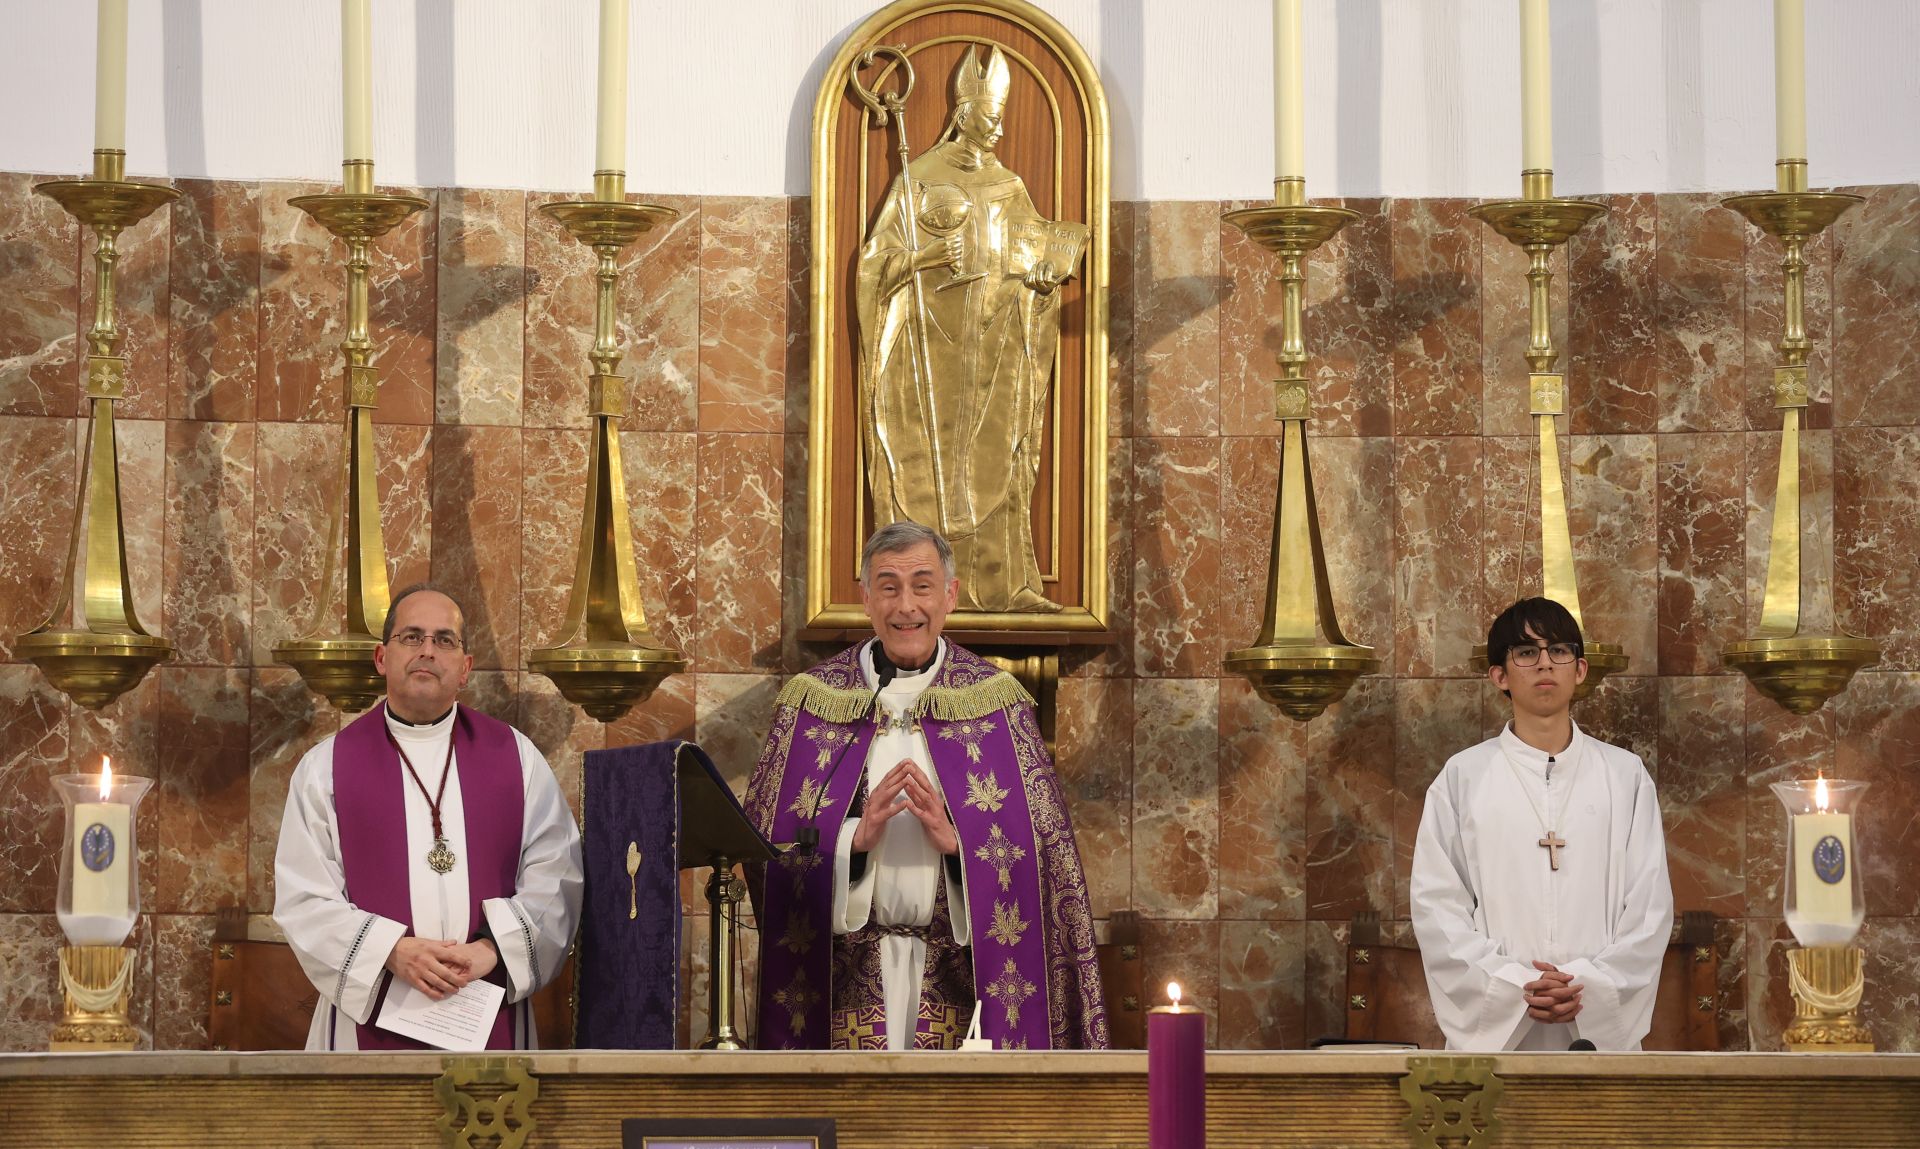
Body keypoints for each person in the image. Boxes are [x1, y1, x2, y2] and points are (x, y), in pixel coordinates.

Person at [744, 522, 1106, 1050]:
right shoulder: (811, 703)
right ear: (865, 598)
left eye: (922, 585)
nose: (906, 606)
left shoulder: (998, 703)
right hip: (843, 983)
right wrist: (852, 842)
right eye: (888, 586)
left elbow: (1048, 864)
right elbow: (761, 849)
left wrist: (962, 848)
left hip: (958, 982)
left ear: (950, 596)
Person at [273, 585, 583, 1050]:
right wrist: (392, 952)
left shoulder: (516, 758)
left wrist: (491, 950)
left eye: (444, 640)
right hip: (371, 1018)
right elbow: (304, 898)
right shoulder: (326, 767)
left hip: (486, 1004)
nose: (427, 651)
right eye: (411, 637)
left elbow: (557, 874)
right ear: (381, 657)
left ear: (465, 667)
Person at [854, 44, 1081, 613]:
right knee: (928, 470)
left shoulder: (1010, 185)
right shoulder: (921, 179)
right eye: (990, 116)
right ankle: (916, 595)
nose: (999, 129)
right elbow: (875, 269)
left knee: (1003, 454)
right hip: (932, 354)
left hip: (998, 349)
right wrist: (927, 259)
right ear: (962, 112)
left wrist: (1044, 281)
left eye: (1002, 116)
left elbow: (1031, 260)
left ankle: (1008, 587)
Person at [1410, 597, 1673, 1051]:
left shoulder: (1624, 776)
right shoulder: (1463, 777)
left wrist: (1588, 986)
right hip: (1502, 1039)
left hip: (1594, 1035)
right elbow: (1437, 909)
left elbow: (1650, 908)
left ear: (1581, 669)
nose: (1545, 663)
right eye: (1526, 653)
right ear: (1499, 676)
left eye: (1559, 651)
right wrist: (1514, 987)